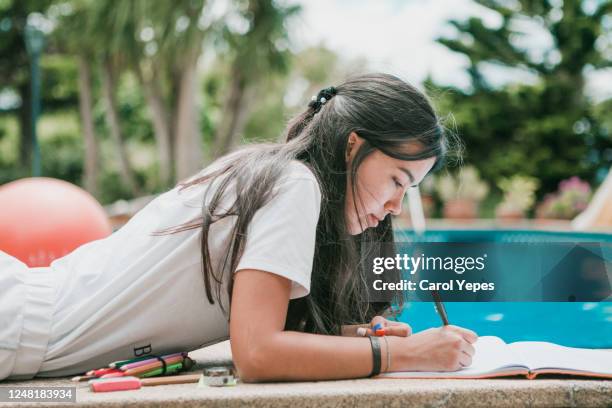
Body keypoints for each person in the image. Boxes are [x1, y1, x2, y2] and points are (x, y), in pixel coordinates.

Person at [0, 73, 477, 383]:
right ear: (354, 147)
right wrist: (402, 356)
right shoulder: (293, 184)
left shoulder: (280, 176)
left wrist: (362, 338)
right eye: (397, 179)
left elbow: (262, 330)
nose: (395, 205)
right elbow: (257, 353)